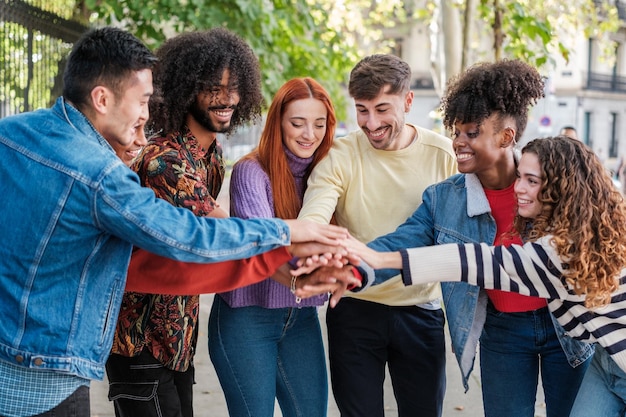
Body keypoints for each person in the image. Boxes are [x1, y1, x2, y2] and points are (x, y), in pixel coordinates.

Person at [0, 27, 349, 417]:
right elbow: (192, 239)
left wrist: (287, 270)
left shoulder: (12, 133)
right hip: (75, 362)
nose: (147, 115)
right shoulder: (109, 173)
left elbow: (144, 265)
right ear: (102, 98)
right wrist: (289, 232)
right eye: (143, 101)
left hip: (166, 336)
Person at [336, 60, 592, 417]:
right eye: (456, 132)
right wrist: (353, 268)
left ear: (505, 137)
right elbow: (401, 242)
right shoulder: (444, 198)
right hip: (502, 331)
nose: (458, 142)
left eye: (471, 134)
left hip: (563, 324)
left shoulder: (547, 181)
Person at [105, 28, 259, 417]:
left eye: (234, 86)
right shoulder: (164, 160)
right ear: (186, 88)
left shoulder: (212, 156)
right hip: (139, 341)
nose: (226, 98)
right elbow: (221, 231)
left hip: (178, 337)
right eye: (213, 87)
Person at [297, 54, 457, 417]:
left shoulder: (443, 155)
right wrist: (312, 248)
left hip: (420, 309)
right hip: (354, 306)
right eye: (362, 110)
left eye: (383, 109)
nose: (372, 123)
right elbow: (316, 214)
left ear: (408, 101)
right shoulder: (342, 154)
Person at [208, 77, 337, 416]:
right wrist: (303, 278)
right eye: (298, 123)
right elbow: (263, 244)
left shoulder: (329, 173)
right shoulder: (252, 171)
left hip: (301, 318)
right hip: (247, 319)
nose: (309, 134)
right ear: (278, 122)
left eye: (319, 124)